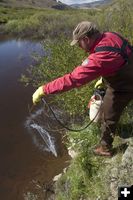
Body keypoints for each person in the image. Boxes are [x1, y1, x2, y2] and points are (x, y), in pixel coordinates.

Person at [32, 21, 133, 157]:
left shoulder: (98, 58)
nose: (79, 46)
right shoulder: (111, 35)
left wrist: (44, 89)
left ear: (86, 39)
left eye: (79, 43)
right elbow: (122, 55)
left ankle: (105, 148)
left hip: (123, 86)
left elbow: (73, 79)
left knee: (107, 116)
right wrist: (104, 78)